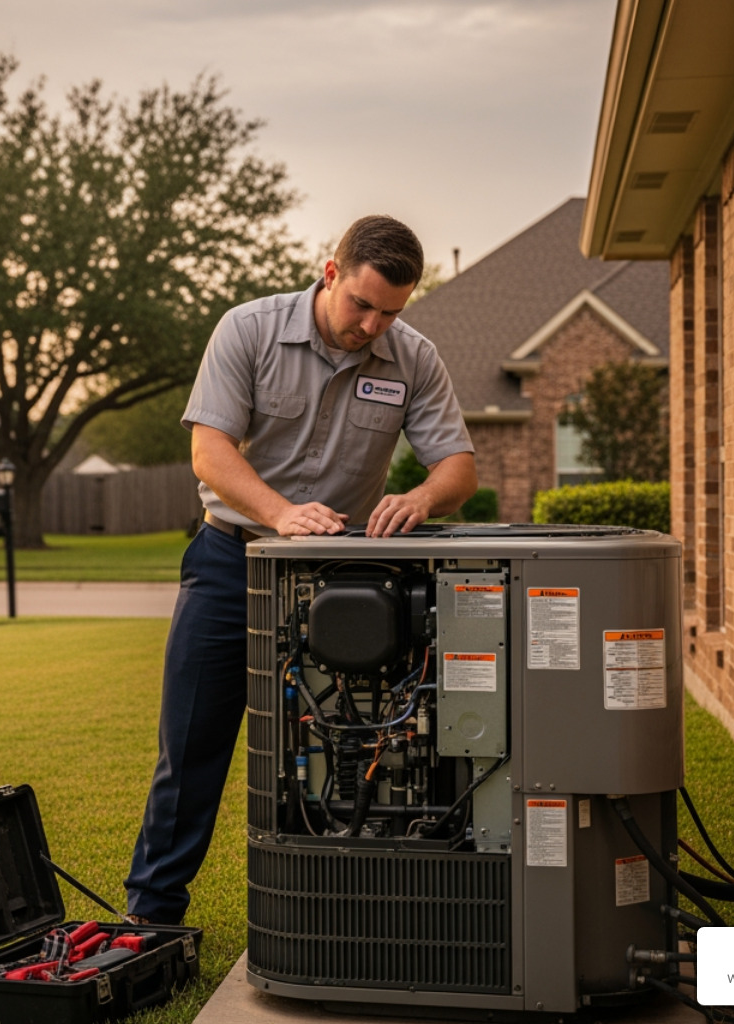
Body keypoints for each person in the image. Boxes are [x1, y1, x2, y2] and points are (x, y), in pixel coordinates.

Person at [124, 215, 477, 925]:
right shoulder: (248, 330)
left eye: (390, 313)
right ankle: (152, 917)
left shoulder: (414, 357)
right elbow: (210, 453)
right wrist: (281, 513)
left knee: (354, 744)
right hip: (230, 562)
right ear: (330, 272)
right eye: (362, 304)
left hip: (342, 581)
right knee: (191, 747)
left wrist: (421, 497)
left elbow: (458, 467)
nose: (372, 326)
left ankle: (345, 913)